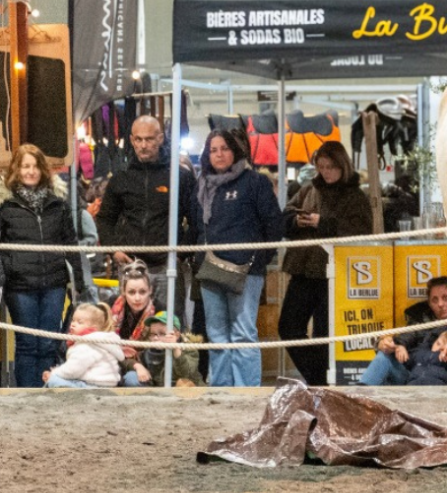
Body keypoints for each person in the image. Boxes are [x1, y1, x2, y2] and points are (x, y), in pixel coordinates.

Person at [196, 129, 284, 387]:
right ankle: (222, 389)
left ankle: (246, 392)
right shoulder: (202, 185)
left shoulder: (254, 182)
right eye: (213, 149)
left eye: (224, 148)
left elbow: (274, 225)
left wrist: (257, 259)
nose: (219, 154)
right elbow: (194, 226)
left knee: (243, 333)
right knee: (217, 334)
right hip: (210, 270)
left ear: (235, 151)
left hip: (246, 271)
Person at [281, 142, 373, 386]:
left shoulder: (356, 196)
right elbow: (285, 216)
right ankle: (318, 380)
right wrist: (297, 222)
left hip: (336, 274)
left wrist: (323, 223)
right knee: (288, 327)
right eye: (321, 167)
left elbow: (361, 232)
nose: (326, 172)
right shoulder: (308, 189)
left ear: (342, 165)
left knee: (324, 334)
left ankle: (320, 384)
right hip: (303, 270)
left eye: (331, 167)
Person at [0, 144, 88, 388]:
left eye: (35, 166)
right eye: (25, 166)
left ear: (43, 170)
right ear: (16, 170)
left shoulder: (58, 205)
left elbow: (71, 243)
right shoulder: (5, 206)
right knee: (27, 342)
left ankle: (46, 389)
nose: (31, 171)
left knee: (49, 342)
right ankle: (27, 392)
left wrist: (79, 282)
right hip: (19, 285)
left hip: (54, 283)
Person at [95, 116, 200, 317]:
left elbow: (196, 220)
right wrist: (113, 249)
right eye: (139, 139)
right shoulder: (121, 178)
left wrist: (180, 254)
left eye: (149, 139)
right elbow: (105, 218)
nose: (143, 145)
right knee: (130, 328)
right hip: (130, 265)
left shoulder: (179, 177)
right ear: (132, 140)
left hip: (166, 265)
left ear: (160, 138)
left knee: (171, 326)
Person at [360, 276, 447, 386]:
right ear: (429, 303)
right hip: (413, 378)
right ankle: (356, 398)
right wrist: (391, 345)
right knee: (383, 356)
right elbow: (403, 338)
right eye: (435, 300)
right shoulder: (421, 321)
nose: (440, 304)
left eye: (446, 298)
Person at [42, 302, 122, 388]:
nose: (72, 324)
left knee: (53, 381)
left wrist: (54, 373)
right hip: (102, 383)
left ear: (93, 327)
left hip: (94, 385)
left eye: (80, 322)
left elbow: (73, 370)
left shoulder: (87, 344)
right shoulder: (99, 340)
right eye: (73, 320)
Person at [112, 261, 163, 386]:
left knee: (132, 379)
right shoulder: (111, 308)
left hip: (149, 369)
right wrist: (135, 364)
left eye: (142, 292)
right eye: (131, 292)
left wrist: (137, 365)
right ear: (123, 291)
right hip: (114, 363)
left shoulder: (160, 312)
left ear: (150, 290)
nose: (137, 298)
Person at [128, 311, 205, 387]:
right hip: (160, 392)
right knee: (131, 377)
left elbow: (186, 373)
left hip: (190, 393)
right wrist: (138, 366)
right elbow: (127, 359)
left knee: (183, 384)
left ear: (177, 335)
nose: (156, 338)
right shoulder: (149, 348)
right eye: (153, 334)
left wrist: (175, 348)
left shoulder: (188, 348)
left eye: (162, 334)